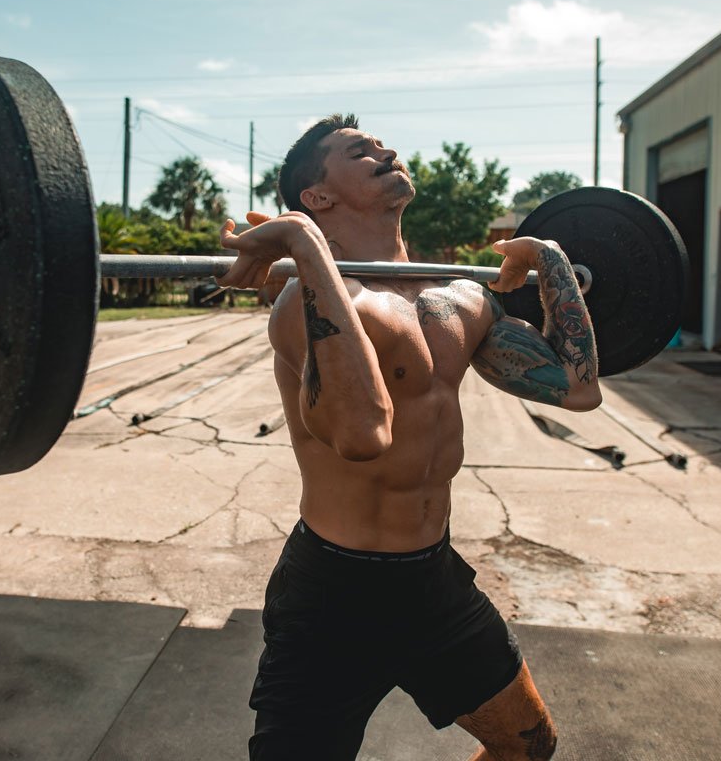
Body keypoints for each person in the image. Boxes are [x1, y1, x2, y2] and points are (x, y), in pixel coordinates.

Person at [216, 114, 599, 761]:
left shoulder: (461, 301)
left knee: (528, 746)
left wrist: (552, 259)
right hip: (333, 597)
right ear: (318, 197)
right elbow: (363, 435)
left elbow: (576, 386)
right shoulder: (300, 307)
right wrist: (309, 254)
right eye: (359, 151)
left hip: (433, 583)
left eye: (380, 144)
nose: (385, 149)